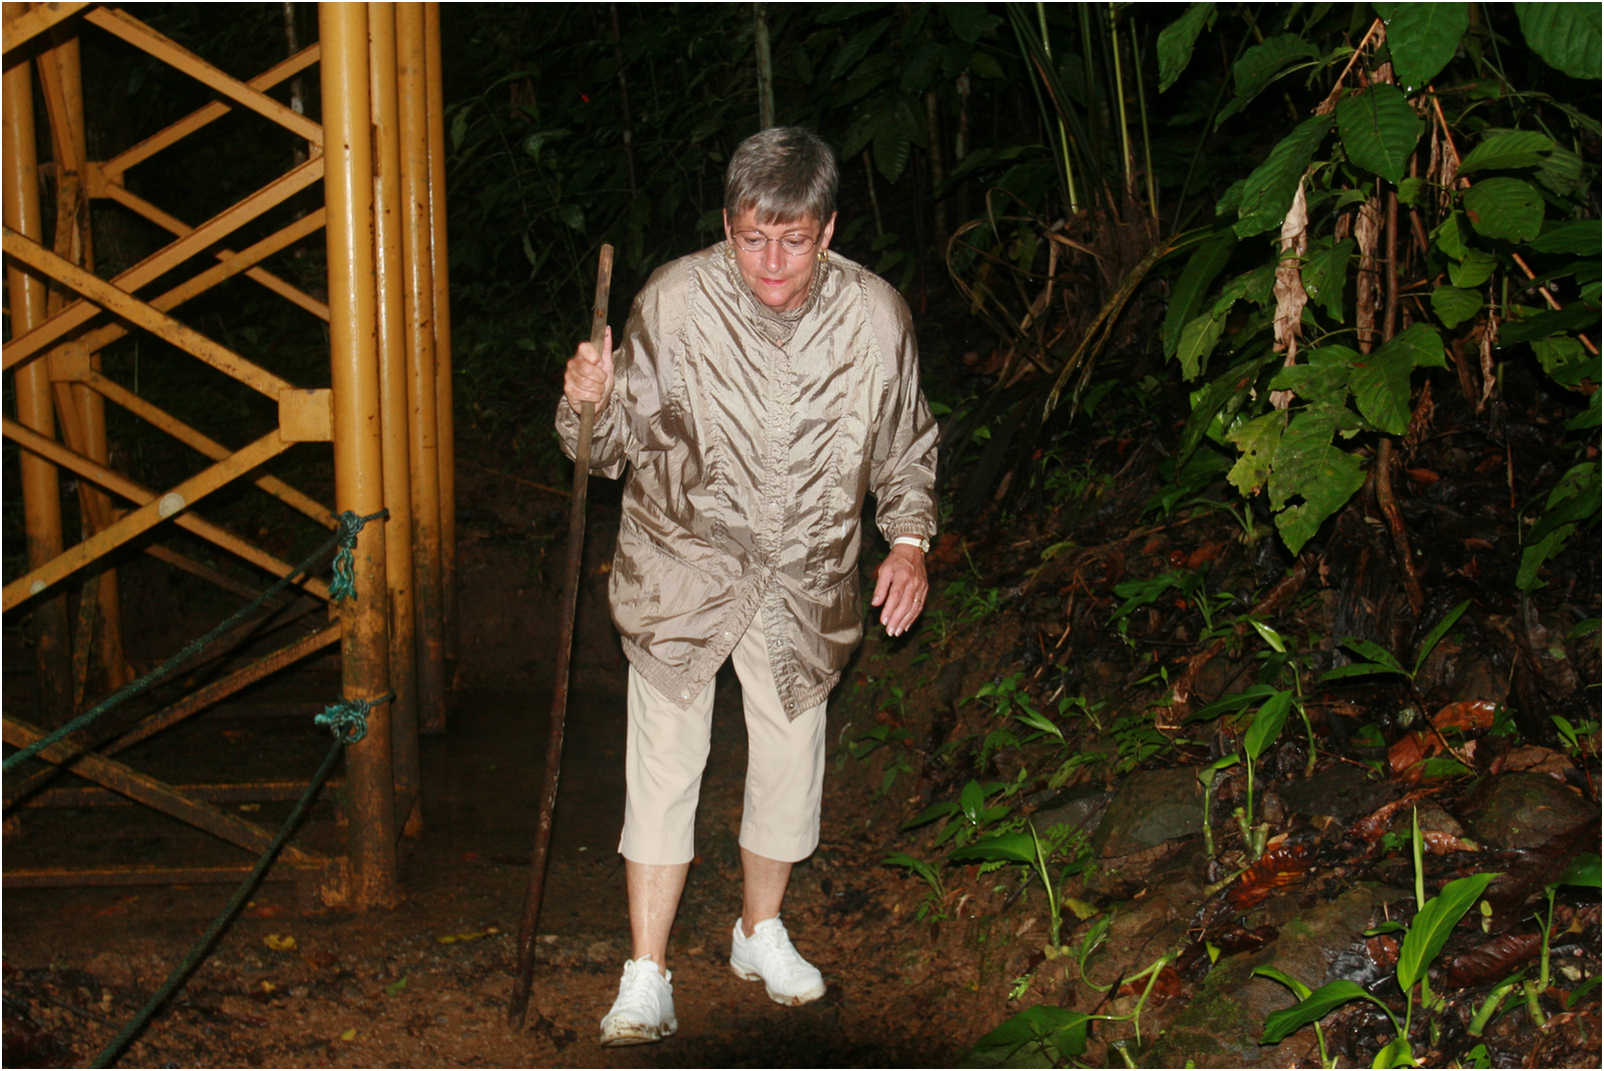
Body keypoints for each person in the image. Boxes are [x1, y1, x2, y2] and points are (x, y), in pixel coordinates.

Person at [556, 126, 938, 1047]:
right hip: (682, 566)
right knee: (664, 766)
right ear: (727, 225)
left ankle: (758, 930)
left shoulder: (876, 317)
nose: (770, 260)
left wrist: (910, 544)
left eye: (794, 239)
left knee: (788, 762)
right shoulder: (677, 301)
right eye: (751, 237)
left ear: (828, 226)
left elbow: (907, 446)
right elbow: (603, 455)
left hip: (805, 579)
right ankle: (646, 970)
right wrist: (587, 399)